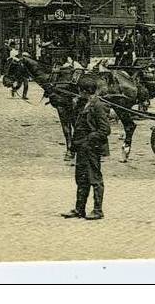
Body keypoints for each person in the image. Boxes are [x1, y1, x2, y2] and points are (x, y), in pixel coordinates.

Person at [61, 78, 110, 220]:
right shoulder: (83, 104)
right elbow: (78, 125)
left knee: (95, 178)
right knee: (81, 179)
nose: (78, 93)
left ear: (85, 91)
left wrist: (89, 139)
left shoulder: (98, 106)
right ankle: (79, 209)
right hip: (82, 148)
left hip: (91, 148)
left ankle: (98, 210)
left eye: (79, 91)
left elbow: (105, 130)